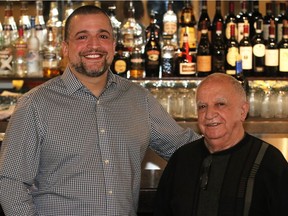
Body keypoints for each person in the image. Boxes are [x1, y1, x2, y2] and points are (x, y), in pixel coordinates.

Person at [0, 5, 200, 216]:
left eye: (103, 36)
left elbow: (186, 149)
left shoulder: (138, 99)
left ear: (113, 46)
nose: (94, 45)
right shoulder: (35, 104)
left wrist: (230, 136)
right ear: (65, 48)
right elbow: (11, 183)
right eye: (82, 37)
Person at [154, 73, 288, 216]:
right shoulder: (182, 159)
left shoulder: (269, 161)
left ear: (243, 111)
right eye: (202, 106)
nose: (209, 114)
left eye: (220, 104)